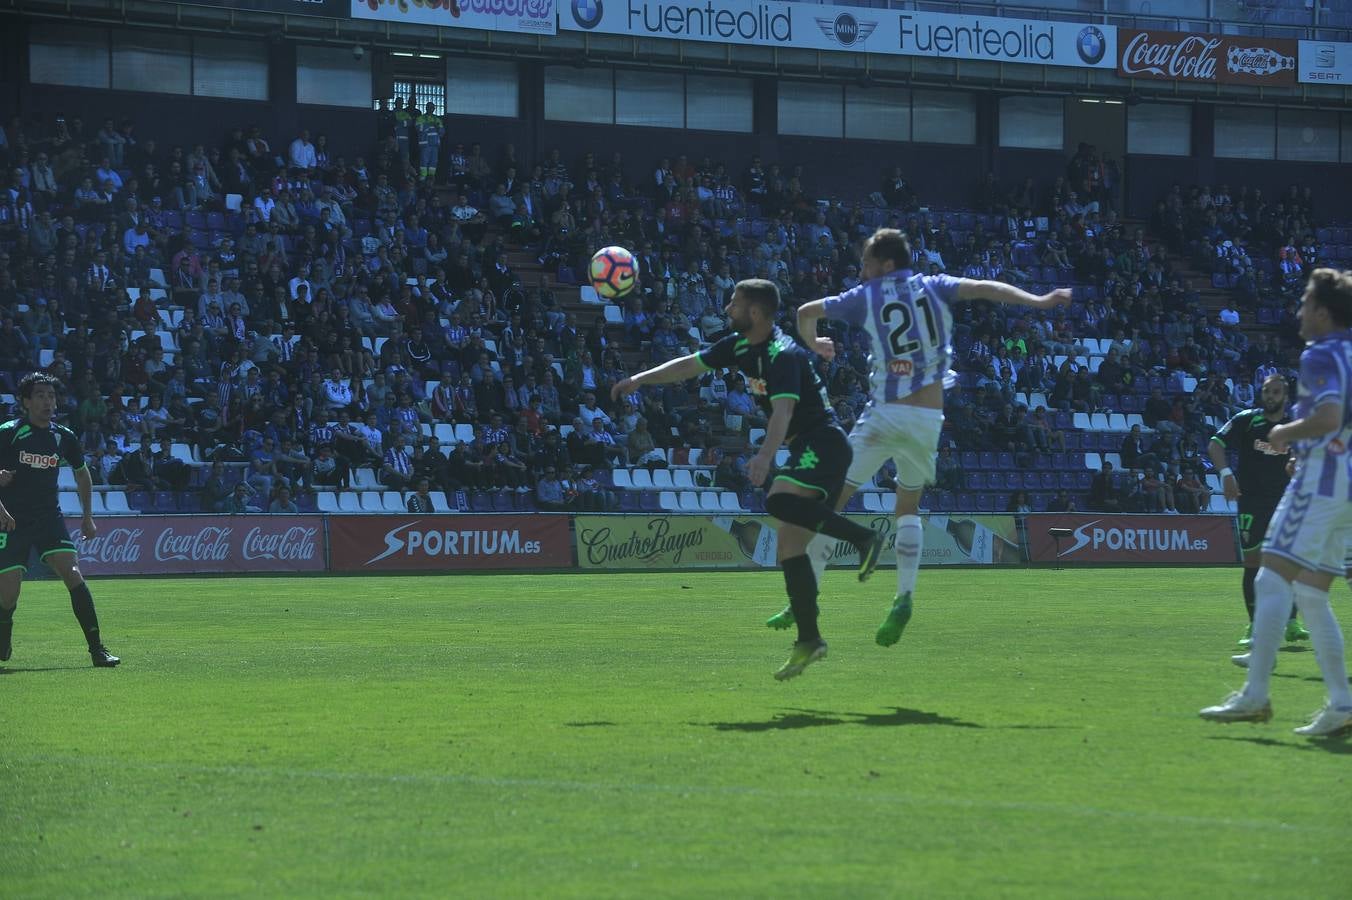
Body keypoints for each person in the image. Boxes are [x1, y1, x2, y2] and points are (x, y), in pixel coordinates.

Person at [795, 228, 1070, 646]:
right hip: (927, 418)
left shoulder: (865, 295)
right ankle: (904, 595)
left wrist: (815, 344)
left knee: (830, 499)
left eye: (867, 262)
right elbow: (984, 287)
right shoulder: (935, 286)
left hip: (886, 411)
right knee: (907, 508)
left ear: (886, 265)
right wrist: (1038, 300)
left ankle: (809, 592)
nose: (862, 270)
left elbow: (805, 310)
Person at [612, 278, 885, 681]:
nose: (727, 310)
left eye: (734, 304)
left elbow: (783, 414)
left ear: (755, 312)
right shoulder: (739, 346)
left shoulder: (783, 354)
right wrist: (640, 380)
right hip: (809, 446)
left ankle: (863, 537)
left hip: (825, 443)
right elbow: (691, 364)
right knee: (788, 548)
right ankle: (810, 640)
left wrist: (764, 456)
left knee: (776, 498)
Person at [1201, 269, 1352, 737]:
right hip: (1344, 482)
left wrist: (1287, 434)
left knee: (1269, 576)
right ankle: (1343, 704)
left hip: (1318, 484)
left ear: (1323, 314)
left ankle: (1255, 696)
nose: (1298, 312)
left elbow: (1327, 415)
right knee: (1310, 592)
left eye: (1305, 303)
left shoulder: (1320, 354)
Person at [0, 372, 119, 667]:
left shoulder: (64, 437)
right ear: (26, 401)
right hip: (11, 521)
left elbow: (82, 473)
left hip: (48, 518)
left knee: (73, 573)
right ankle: (2, 642)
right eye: (40, 395)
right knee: (8, 593)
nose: (47, 401)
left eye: (51, 396)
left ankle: (97, 650)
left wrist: (88, 517)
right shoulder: (8, 432)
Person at [1208, 372, 1309, 653]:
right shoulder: (1246, 420)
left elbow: (1306, 457)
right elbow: (1215, 444)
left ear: (1285, 397)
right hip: (1251, 501)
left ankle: (1291, 622)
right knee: (1252, 562)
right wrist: (1226, 473)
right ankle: (1254, 625)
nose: (1271, 396)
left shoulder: (1295, 426)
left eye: (1276, 392)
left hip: (1287, 501)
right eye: (1267, 391)